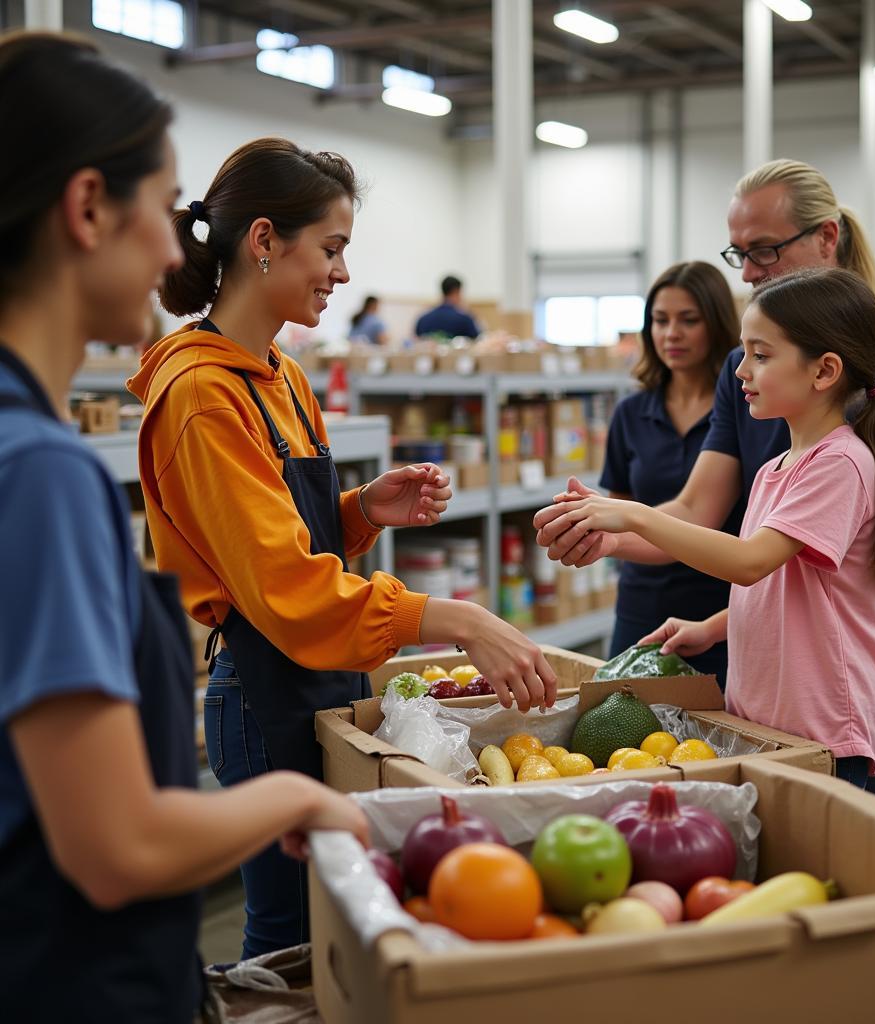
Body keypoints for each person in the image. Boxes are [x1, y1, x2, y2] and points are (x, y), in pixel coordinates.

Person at [0, 32, 368, 1021]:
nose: (176, 252)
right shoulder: (41, 471)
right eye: (165, 214)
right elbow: (116, 847)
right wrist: (297, 800)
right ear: (86, 209)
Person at [128, 137, 557, 958]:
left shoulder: (277, 376)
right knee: (292, 940)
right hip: (263, 694)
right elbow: (281, 585)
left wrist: (361, 511)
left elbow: (280, 536)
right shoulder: (202, 394)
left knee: (344, 923)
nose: (343, 273)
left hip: (316, 678)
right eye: (331, 248)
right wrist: (457, 618)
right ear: (263, 240)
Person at [536, 159, 875, 816]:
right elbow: (726, 532)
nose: (748, 270)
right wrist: (606, 529)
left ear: (826, 238)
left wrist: (861, 512)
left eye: (764, 250)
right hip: (778, 700)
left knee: (867, 866)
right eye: (740, 253)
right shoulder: (774, 453)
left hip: (846, 699)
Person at [543, 268, 875, 786]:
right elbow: (779, 585)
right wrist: (712, 628)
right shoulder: (775, 468)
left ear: (824, 371)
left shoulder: (840, 463)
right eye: (744, 353)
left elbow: (749, 562)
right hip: (771, 718)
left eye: (761, 356)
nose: (741, 371)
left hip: (824, 726)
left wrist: (633, 513)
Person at [599, 261, 742, 686]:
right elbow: (620, 506)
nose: (671, 334)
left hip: (721, 609)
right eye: (660, 321)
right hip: (642, 606)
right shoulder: (631, 413)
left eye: (688, 320)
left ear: (716, 324)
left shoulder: (746, 409)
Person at [415, 274, 481, 339]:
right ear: (456, 291)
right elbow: (477, 337)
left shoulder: (423, 319)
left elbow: (416, 338)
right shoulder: (464, 319)